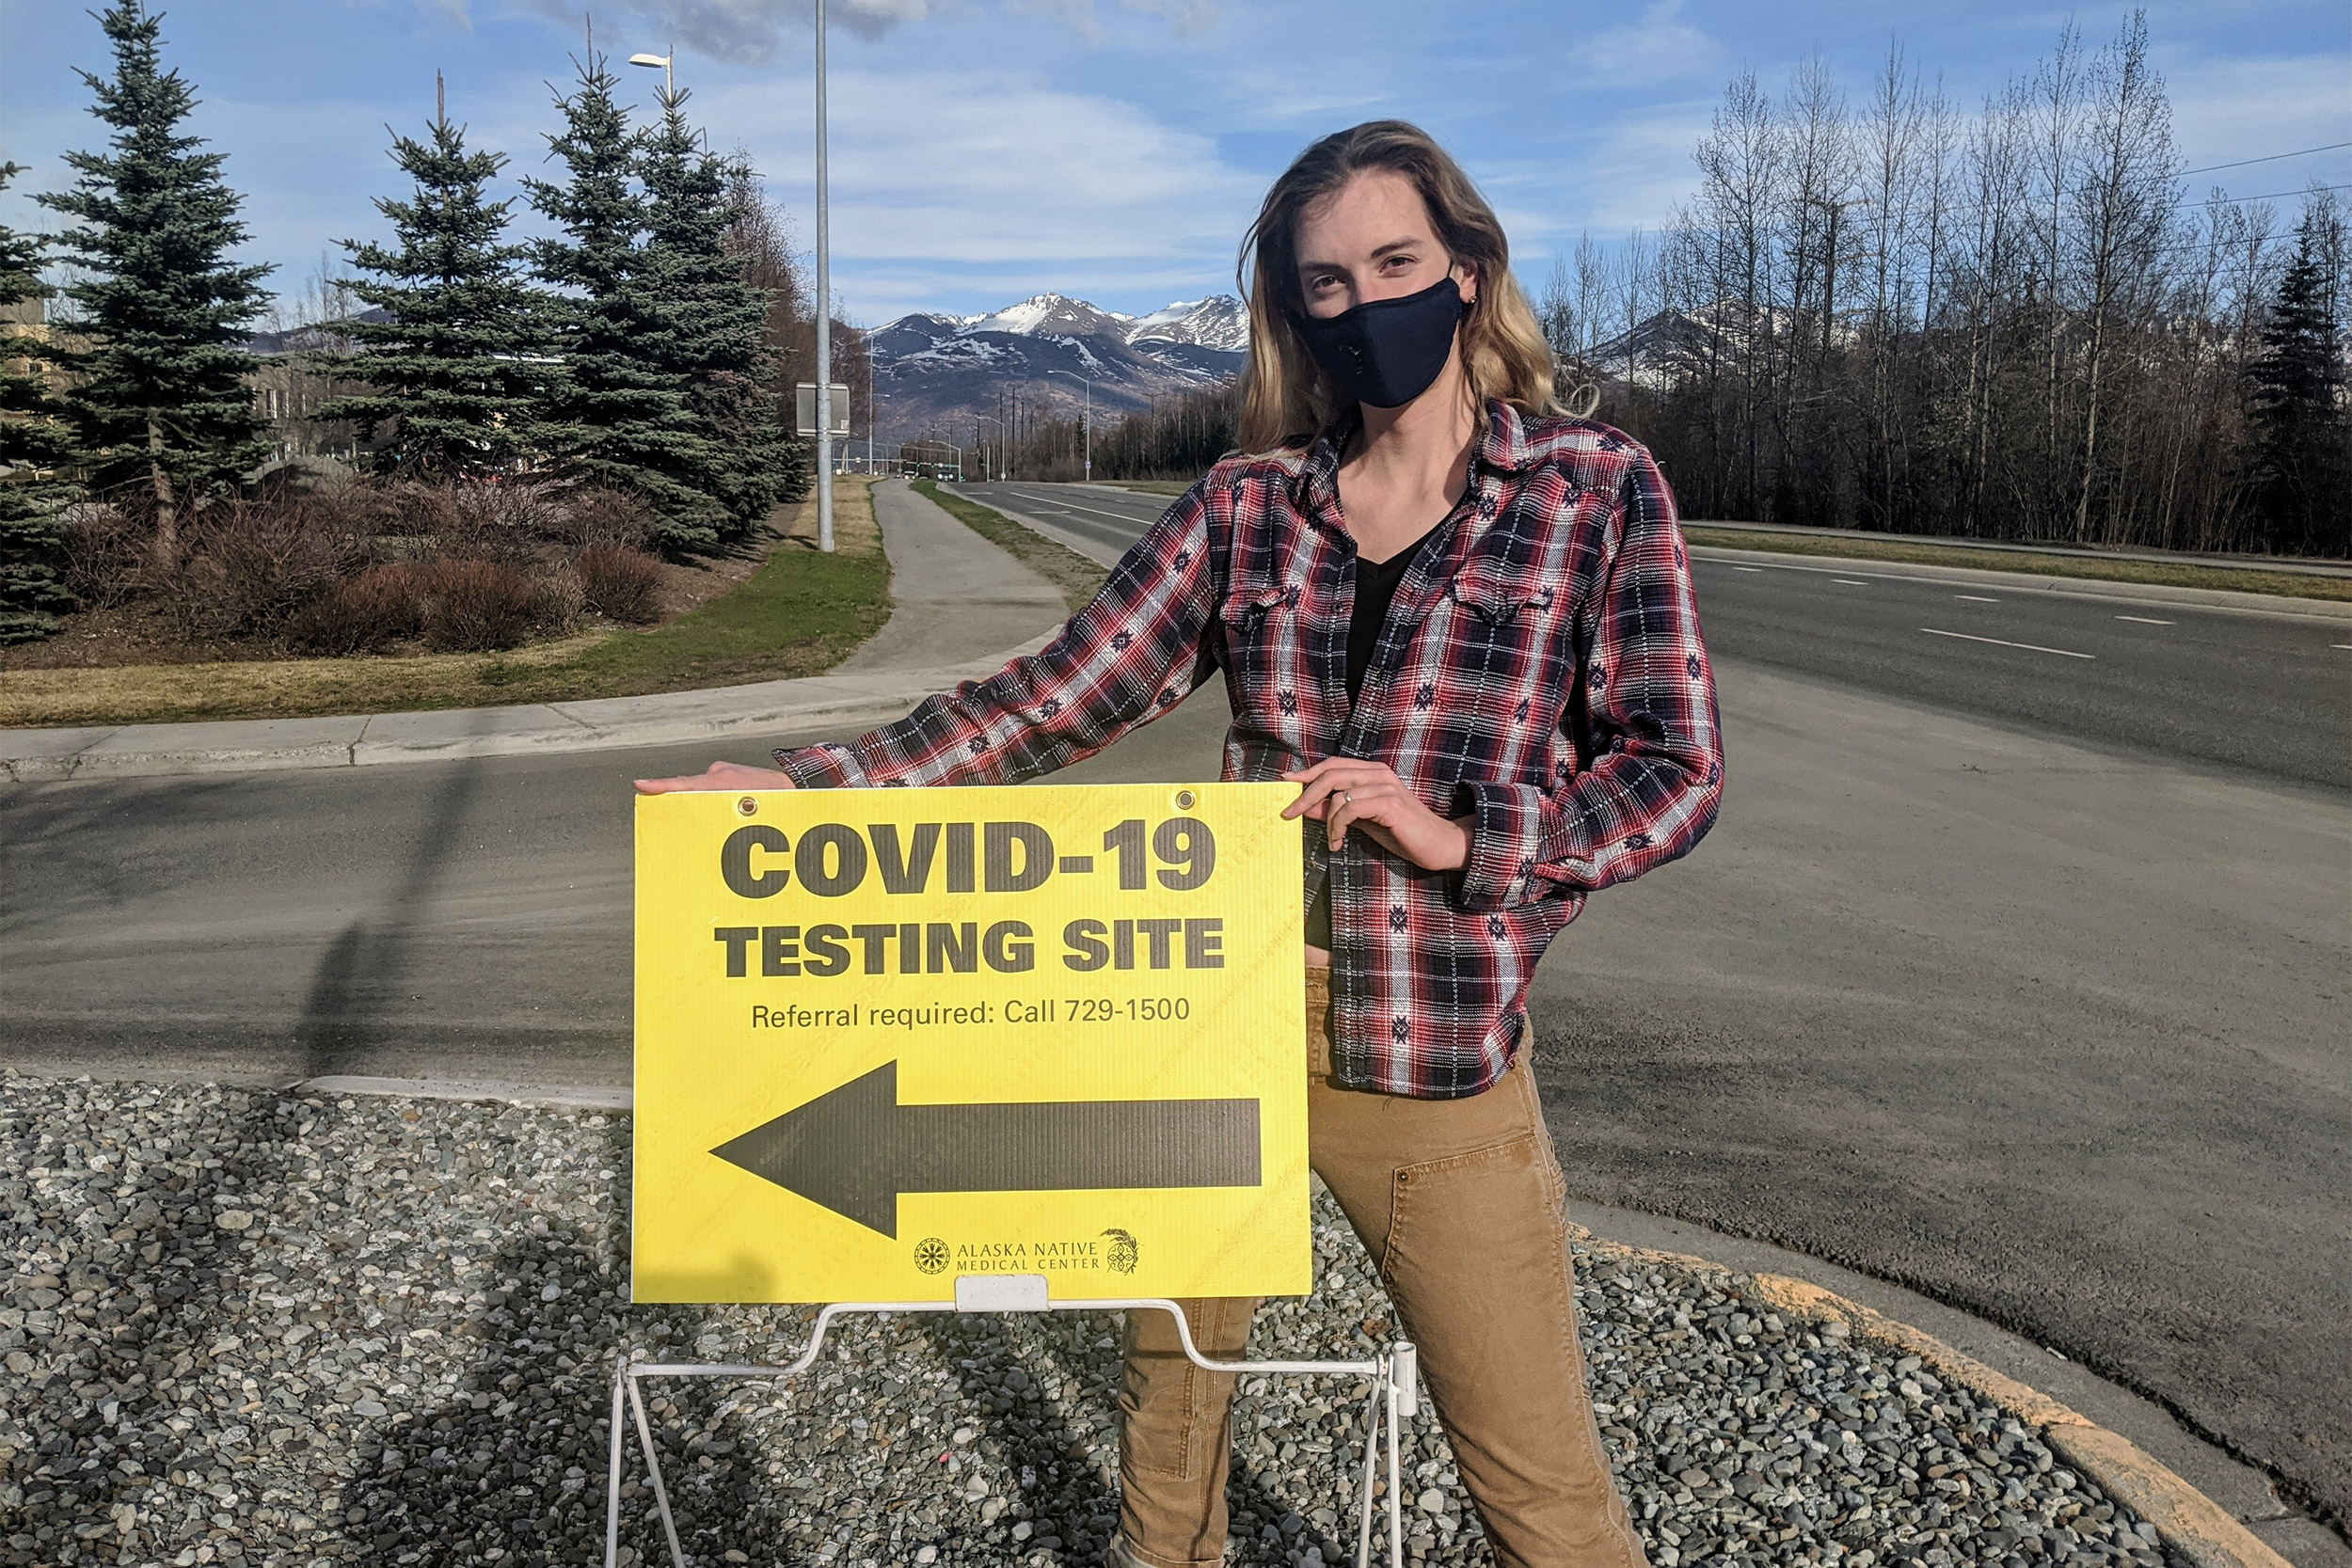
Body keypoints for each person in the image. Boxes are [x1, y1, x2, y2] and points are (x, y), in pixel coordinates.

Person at [636, 119, 1723, 1568]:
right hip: (1206, 1032)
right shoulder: (1245, 507)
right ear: (1294, 311)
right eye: (1325, 285)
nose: (1363, 306)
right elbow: (1051, 699)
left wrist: (1466, 836)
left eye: (1396, 263)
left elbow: (1675, 771)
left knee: (1541, 1491)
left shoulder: (1595, 489)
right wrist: (816, 792)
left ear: (1466, 271)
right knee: (1169, 1473)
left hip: (1434, 1061)